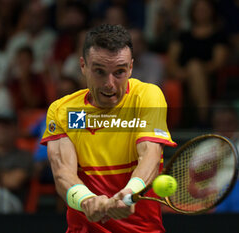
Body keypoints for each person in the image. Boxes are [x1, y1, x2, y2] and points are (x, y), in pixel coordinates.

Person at [41, 24, 176, 232]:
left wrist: (130, 193)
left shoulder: (146, 97)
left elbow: (149, 154)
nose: (109, 84)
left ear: (131, 68)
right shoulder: (65, 111)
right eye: (99, 71)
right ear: (83, 66)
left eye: (119, 72)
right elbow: (62, 173)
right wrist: (85, 199)